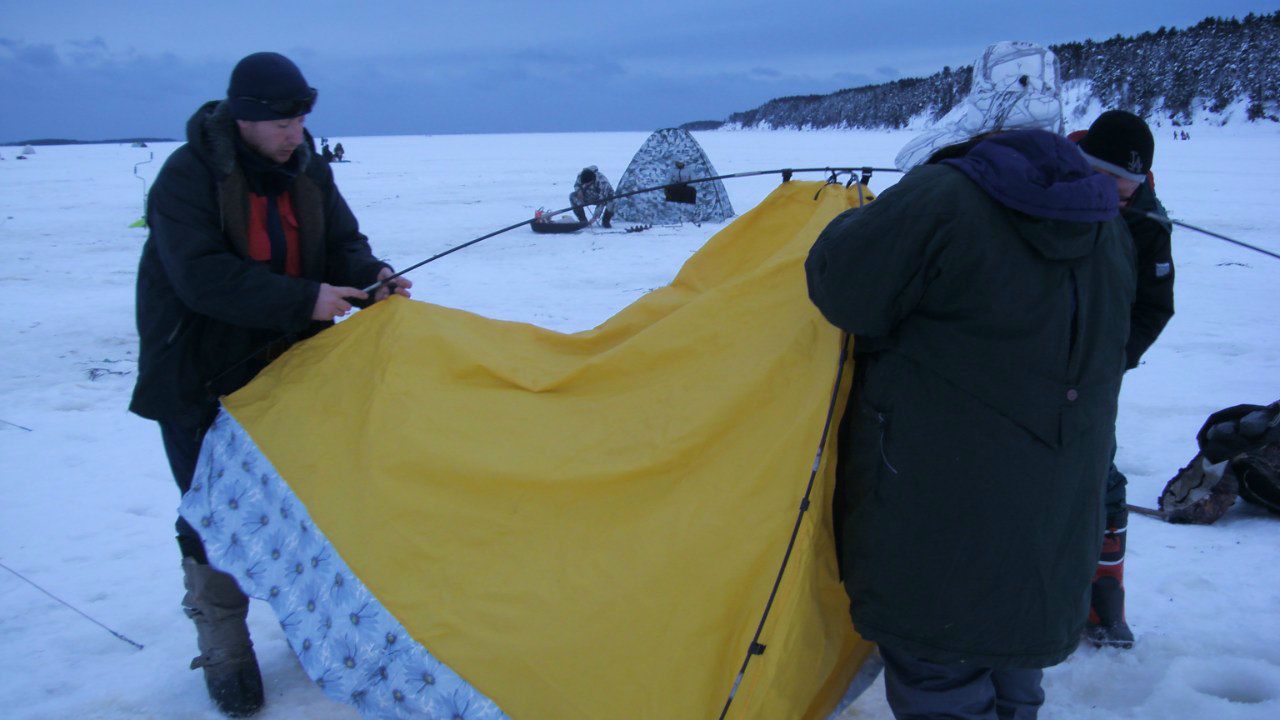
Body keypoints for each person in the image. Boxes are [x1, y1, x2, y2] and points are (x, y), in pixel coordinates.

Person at [806, 126, 1134, 719]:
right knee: (1013, 661)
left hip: (940, 512)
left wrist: (839, 226)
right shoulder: (1105, 219)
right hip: (1053, 514)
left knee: (941, 677)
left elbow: (845, 289)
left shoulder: (944, 197)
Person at [129, 51, 411, 718]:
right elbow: (200, 277)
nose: (295, 133)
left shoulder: (308, 164)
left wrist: (371, 277)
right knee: (211, 505)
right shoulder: (186, 176)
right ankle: (223, 639)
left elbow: (342, 241)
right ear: (245, 119)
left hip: (286, 364)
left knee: (300, 491)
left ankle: (303, 612)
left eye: (302, 119)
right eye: (282, 123)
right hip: (198, 370)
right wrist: (304, 299)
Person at [1070, 110, 1174, 649]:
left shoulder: (1148, 225)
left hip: (1096, 376)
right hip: (1023, 366)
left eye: (1132, 181)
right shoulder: (1045, 190)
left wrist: (1110, 360)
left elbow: (1155, 308)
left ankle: (1103, 599)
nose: (1122, 191)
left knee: (1101, 475)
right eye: (1110, 178)